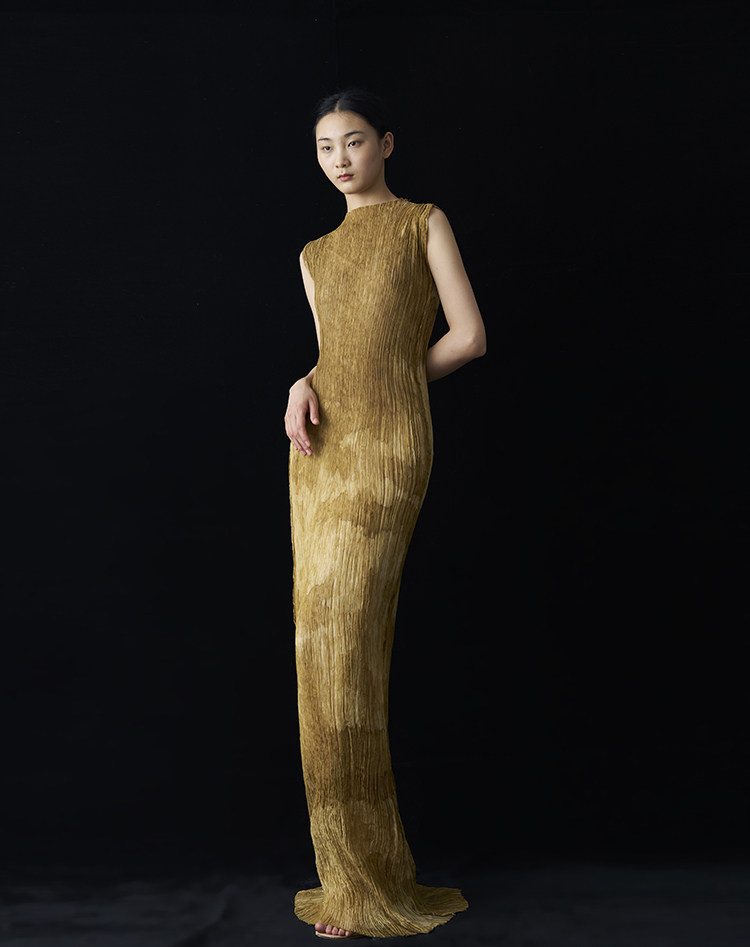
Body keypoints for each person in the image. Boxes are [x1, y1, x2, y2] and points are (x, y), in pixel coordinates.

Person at [285, 87, 486, 940]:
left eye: (355, 141)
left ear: (387, 144)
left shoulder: (422, 223)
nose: (340, 159)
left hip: (390, 446)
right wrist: (301, 382)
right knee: (320, 655)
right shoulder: (313, 254)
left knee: (347, 648)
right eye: (326, 146)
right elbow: (333, 353)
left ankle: (367, 880)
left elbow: (468, 335)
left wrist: (396, 377)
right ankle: (353, 873)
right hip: (320, 453)